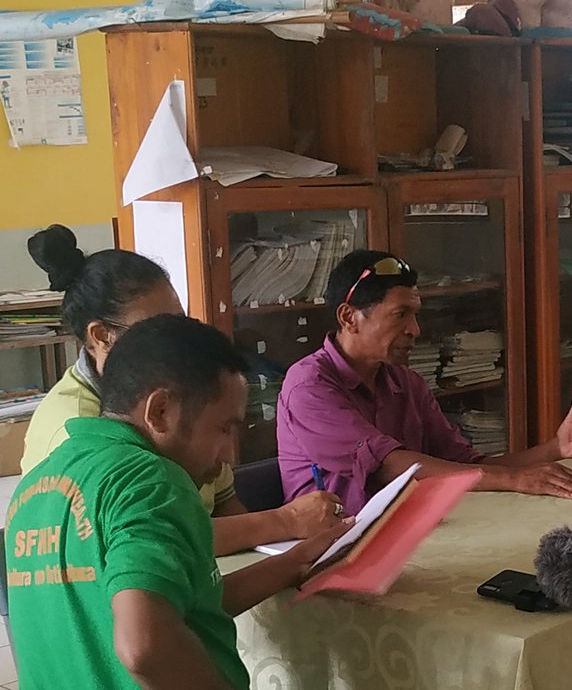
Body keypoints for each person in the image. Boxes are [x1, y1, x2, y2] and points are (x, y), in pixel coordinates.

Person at [6, 314, 350, 690]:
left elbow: (184, 603)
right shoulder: (151, 479)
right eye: (223, 429)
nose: (230, 456)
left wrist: (296, 562)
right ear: (160, 412)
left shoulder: (35, 487)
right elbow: (146, 647)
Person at [21, 225, 344, 555]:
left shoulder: (181, 393)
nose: (177, 338)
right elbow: (149, 543)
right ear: (102, 336)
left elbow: (225, 505)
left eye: (179, 320)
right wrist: (286, 520)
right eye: (156, 327)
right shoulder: (78, 430)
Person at [276, 250, 572, 514]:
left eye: (415, 314)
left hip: (411, 538)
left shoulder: (406, 383)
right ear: (349, 317)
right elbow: (389, 466)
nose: (415, 330)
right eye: (400, 314)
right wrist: (513, 479)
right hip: (336, 551)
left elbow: (467, 466)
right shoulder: (309, 386)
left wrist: (554, 449)